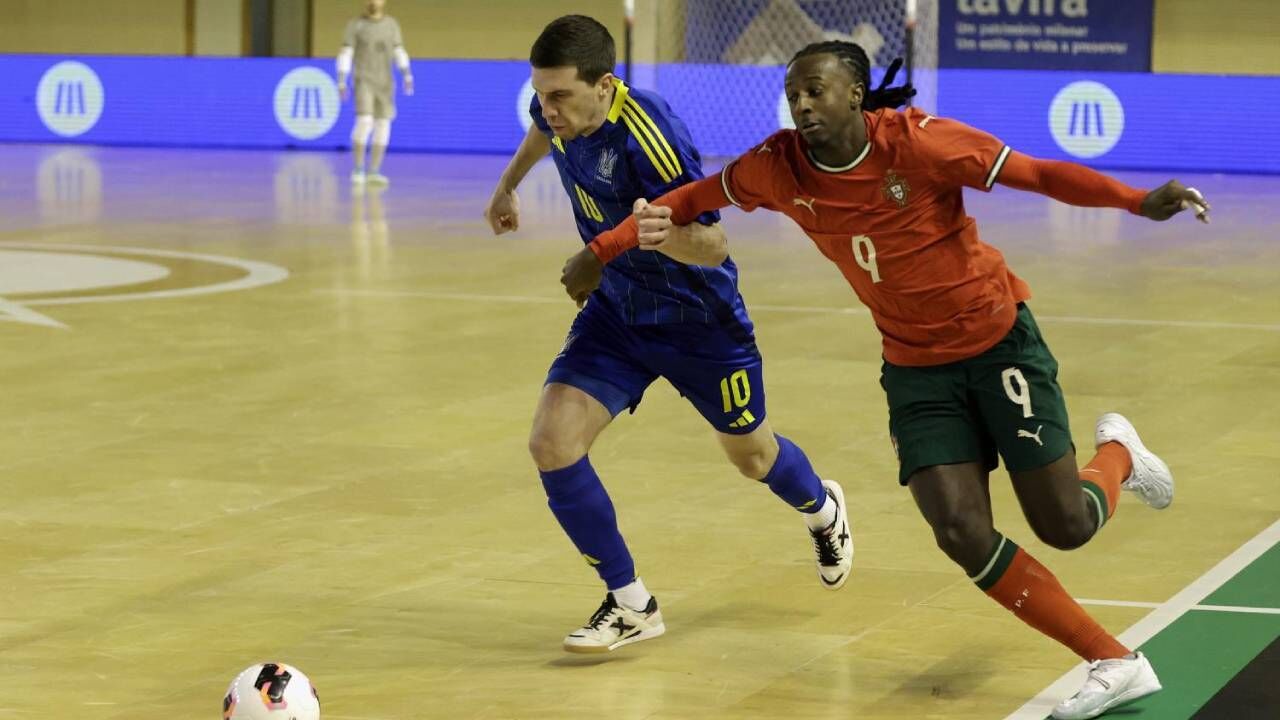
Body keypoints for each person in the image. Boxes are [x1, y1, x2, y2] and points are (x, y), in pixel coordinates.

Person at [575, 40, 1210, 718]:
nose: (803, 104)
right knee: (960, 530)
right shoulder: (776, 166)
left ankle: (1117, 457)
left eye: (816, 90)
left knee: (1065, 525)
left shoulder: (922, 143)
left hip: (998, 345)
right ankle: (1112, 658)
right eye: (794, 94)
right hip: (914, 367)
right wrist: (602, 249)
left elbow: (1038, 174)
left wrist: (1138, 200)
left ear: (855, 93)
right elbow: (691, 197)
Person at [484, 17, 852, 654]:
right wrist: (508, 184)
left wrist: (653, 237)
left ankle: (823, 509)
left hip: (698, 322)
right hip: (619, 314)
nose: (547, 110)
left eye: (560, 97)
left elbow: (714, 245)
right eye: (539, 95)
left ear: (605, 86)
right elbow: (541, 133)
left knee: (753, 458)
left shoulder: (650, 139)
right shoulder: (559, 113)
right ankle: (631, 603)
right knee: (552, 441)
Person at [336, 0, 413, 186]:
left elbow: (398, 50)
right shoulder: (356, 25)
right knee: (365, 120)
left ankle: (375, 170)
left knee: (383, 123)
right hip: (363, 79)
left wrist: (407, 74)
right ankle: (358, 167)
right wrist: (341, 79)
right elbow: (346, 53)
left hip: (385, 83)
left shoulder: (391, 25)